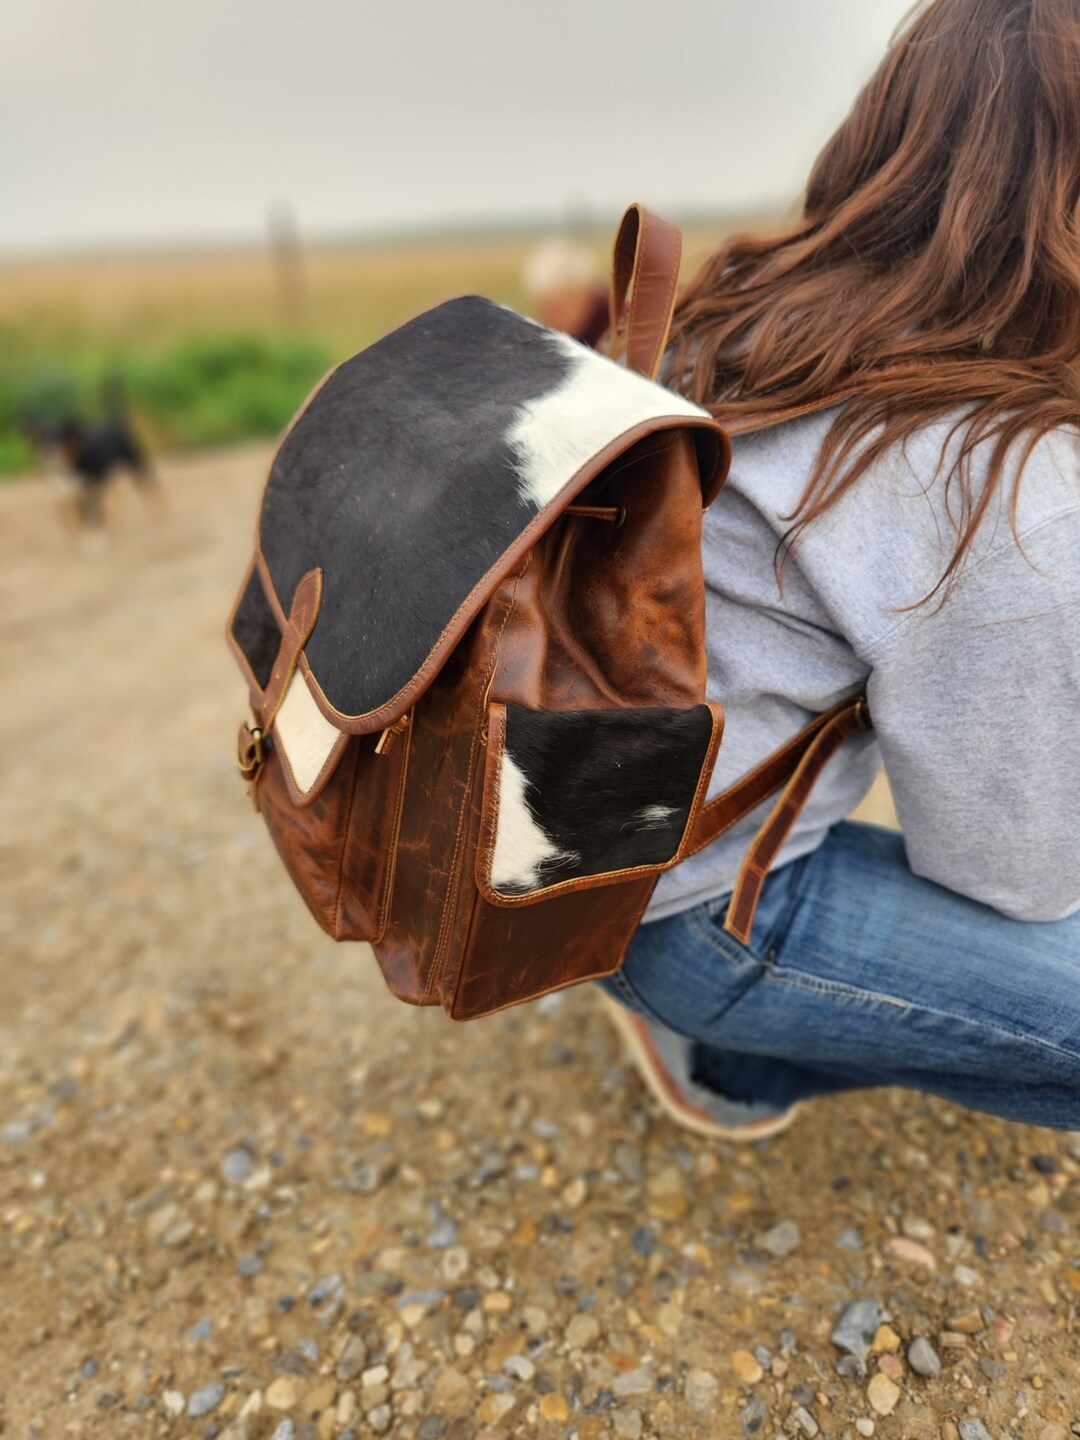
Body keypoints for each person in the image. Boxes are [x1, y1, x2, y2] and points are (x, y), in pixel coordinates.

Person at [599, 0, 1080, 1141]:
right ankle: (732, 1059)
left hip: (567, 846)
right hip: (691, 918)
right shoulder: (1010, 483)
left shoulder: (747, 314)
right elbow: (1009, 879)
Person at [521, 236, 611, 348]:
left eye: (554, 311)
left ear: (580, 297)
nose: (550, 323)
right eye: (543, 312)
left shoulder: (618, 335)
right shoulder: (574, 338)